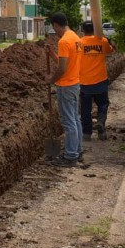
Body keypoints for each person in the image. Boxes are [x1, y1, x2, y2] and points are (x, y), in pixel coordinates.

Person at [46, 12, 83, 167]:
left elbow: (61, 69)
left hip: (66, 86)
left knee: (68, 122)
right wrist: (52, 54)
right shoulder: (75, 38)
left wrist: (51, 80)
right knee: (75, 119)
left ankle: (70, 156)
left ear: (55, 25)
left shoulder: (64, 41)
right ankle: (77, 150)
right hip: (75, 84)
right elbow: (66, 63)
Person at [79, 20, 115, 140]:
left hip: (85, 83)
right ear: (95, 30)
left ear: (83, 30)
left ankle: (87, 133)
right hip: (100, 81)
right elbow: (110, 50)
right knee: (103, 104)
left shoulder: (79, 43)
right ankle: (101, 126)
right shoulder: (102, 41)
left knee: (85, 109)